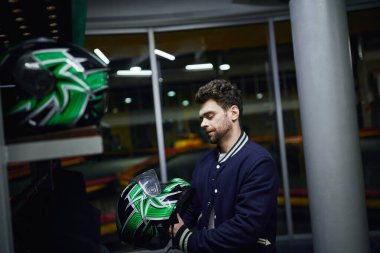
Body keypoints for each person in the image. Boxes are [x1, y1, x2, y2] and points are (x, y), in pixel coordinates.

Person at [170, 79, 279, 253]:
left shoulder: (259, 162)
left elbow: (245, 229)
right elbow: (192, 209)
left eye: (210, 116)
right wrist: (166, 220)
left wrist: (189, 240)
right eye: (202, 117)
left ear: (233, 113)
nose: (203, 123)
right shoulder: (204, 163)